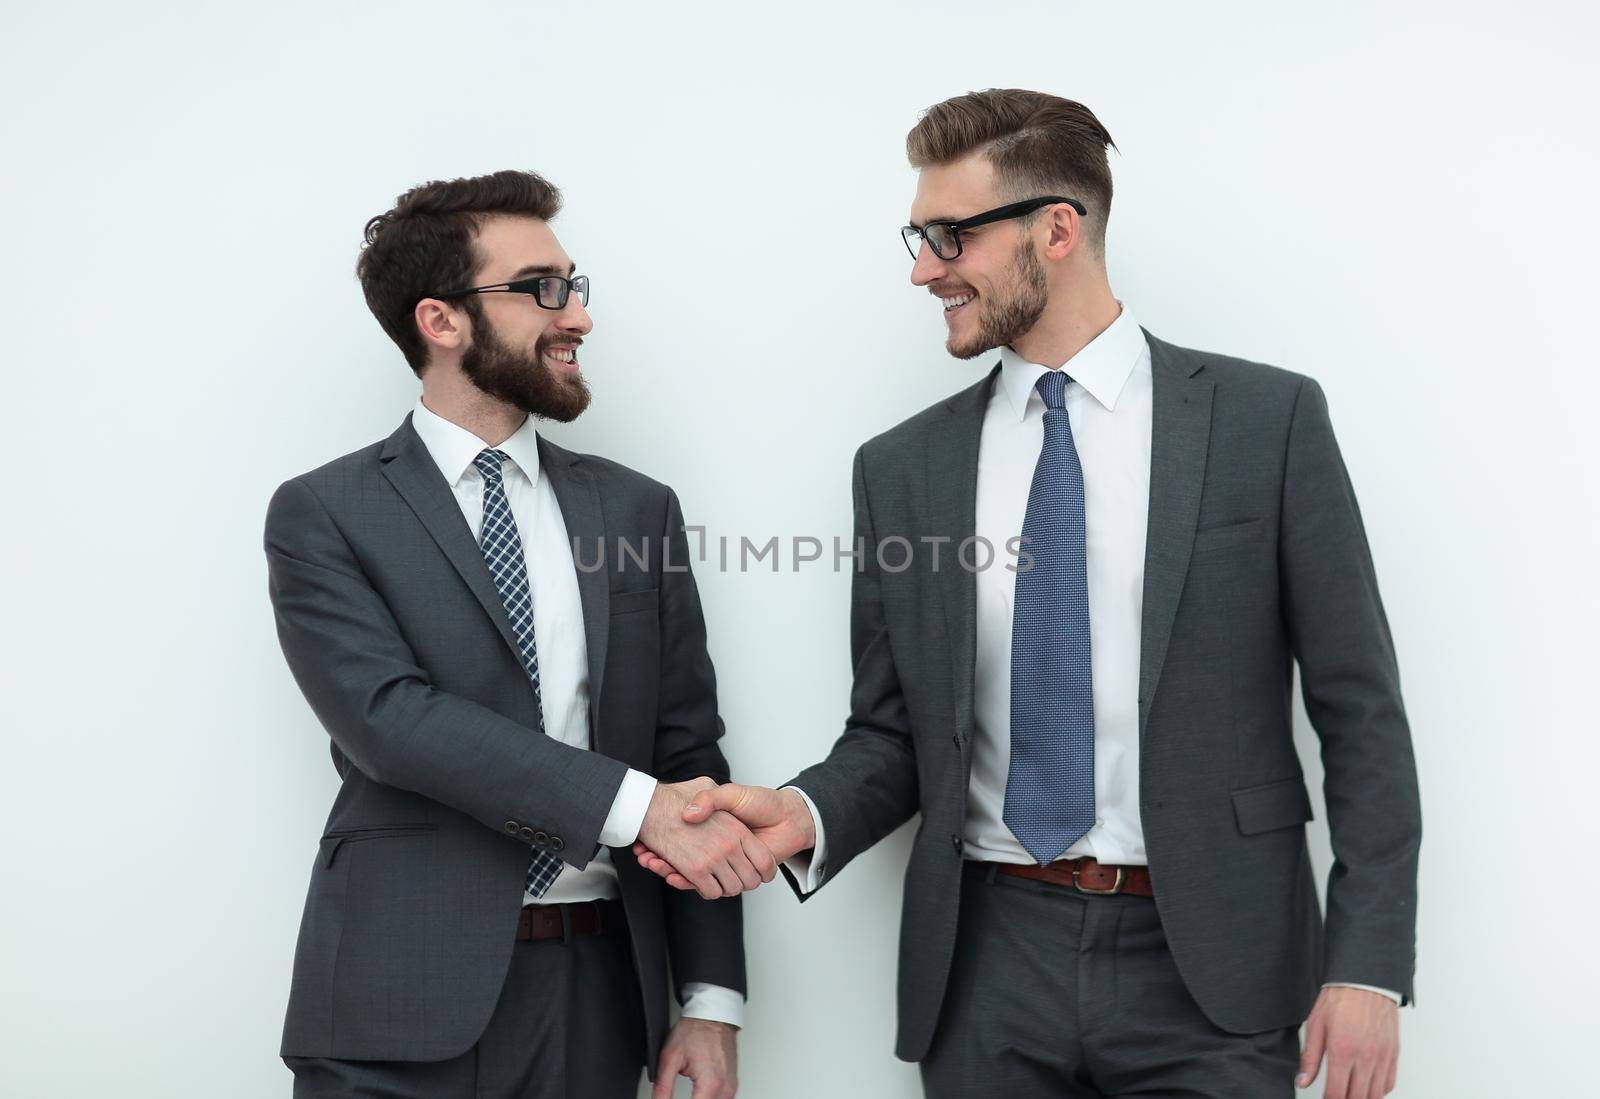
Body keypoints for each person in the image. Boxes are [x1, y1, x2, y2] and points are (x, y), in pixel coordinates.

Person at [636, 91, 1420, 1099]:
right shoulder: (903, 468)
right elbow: (890, 735)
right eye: (919, 237)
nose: (924, 269)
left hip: (1214, 964)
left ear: (1057, 229)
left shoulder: (1264, 424)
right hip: (987, 965)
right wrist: (799, 811)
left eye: (950, 235)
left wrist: (1365, 961)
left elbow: (1359, 711)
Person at [265, 169, 769, 1099]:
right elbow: (390, 721)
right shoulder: (324, 513)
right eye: (542, 288)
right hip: (392, 1000)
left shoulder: (635, 508)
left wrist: (708, 1000)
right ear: (442, 320)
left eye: (574, 286)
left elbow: (686, 751)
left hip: (596, 996)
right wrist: (635, 806)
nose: (576, 314)